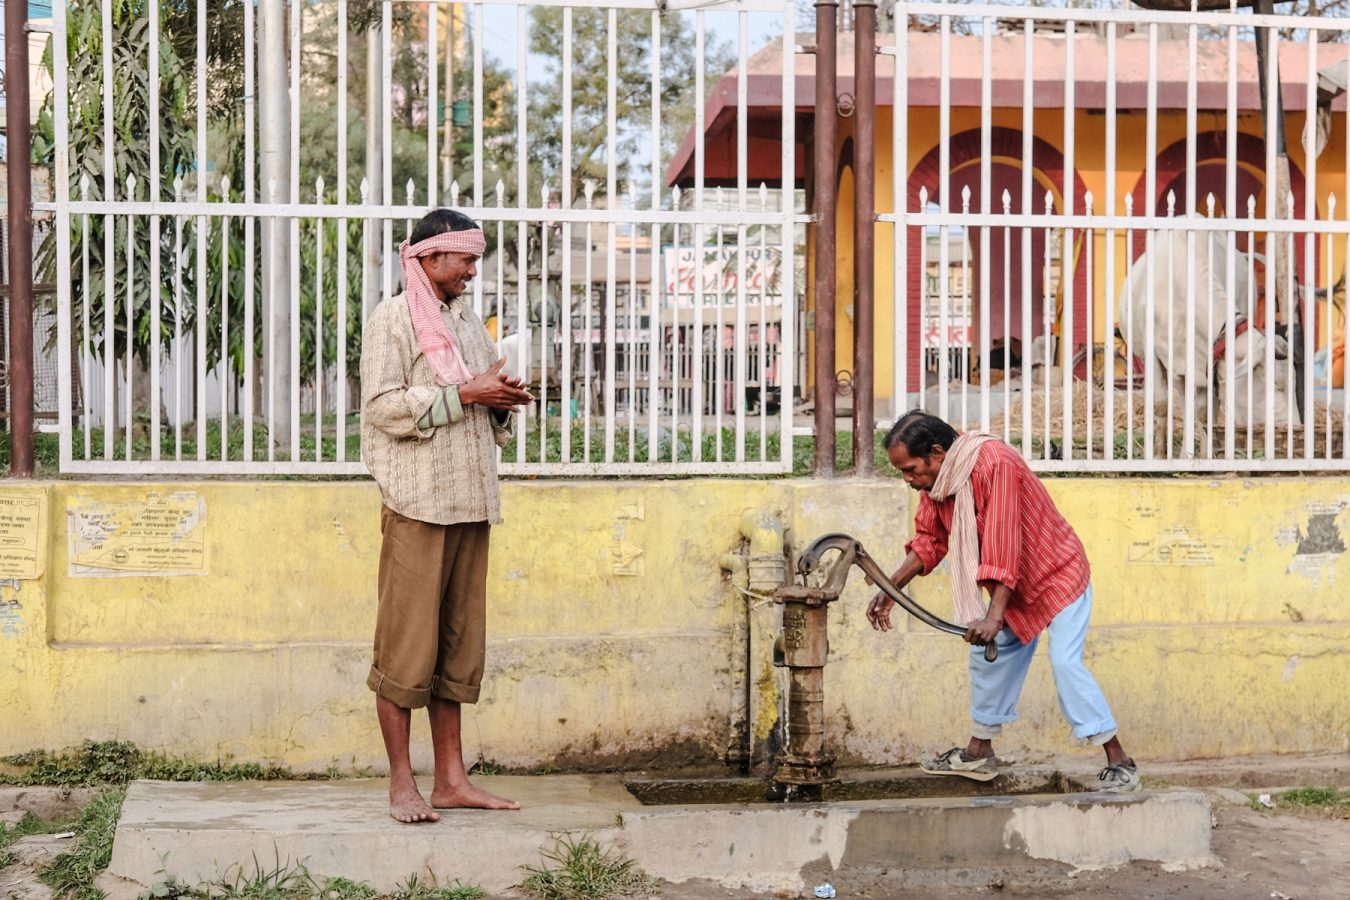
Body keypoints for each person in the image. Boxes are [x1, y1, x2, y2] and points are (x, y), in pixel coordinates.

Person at [361, 208, 534, 823]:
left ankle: (452, 782)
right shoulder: (392, 320)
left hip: (470, 505)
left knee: (457, 652)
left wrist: (502, 398)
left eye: (475, 261)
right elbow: (382, 407)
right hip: (417, 506)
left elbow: (484, 395)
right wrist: (465, 394)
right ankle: (402, 785)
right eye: (465, 260)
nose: (472, 272)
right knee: (406, 652)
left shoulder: (465, 323)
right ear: (430, 257)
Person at [867, 410, 1140, 793]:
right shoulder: (938, 484)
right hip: (1011, 587)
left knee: (1065, 663)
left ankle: (1120, 761)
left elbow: (1004, 540)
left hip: (1056, 573)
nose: (908, 480)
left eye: (910, 470)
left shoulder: (995, 463)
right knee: (987, 656)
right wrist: (890, 589)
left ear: (937, 453)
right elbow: (929, 540)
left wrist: (994, 616)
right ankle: (978, 753)